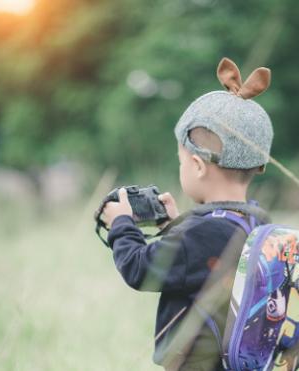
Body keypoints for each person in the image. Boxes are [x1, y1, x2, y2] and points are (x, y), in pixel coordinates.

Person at [101, 57, 274, 371]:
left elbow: (141, 270)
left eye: (182, 161)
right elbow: (201, 262)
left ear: (196, 165)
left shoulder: (201, 233)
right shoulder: (257, 222)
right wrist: (176, 225)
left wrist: (121, 224)